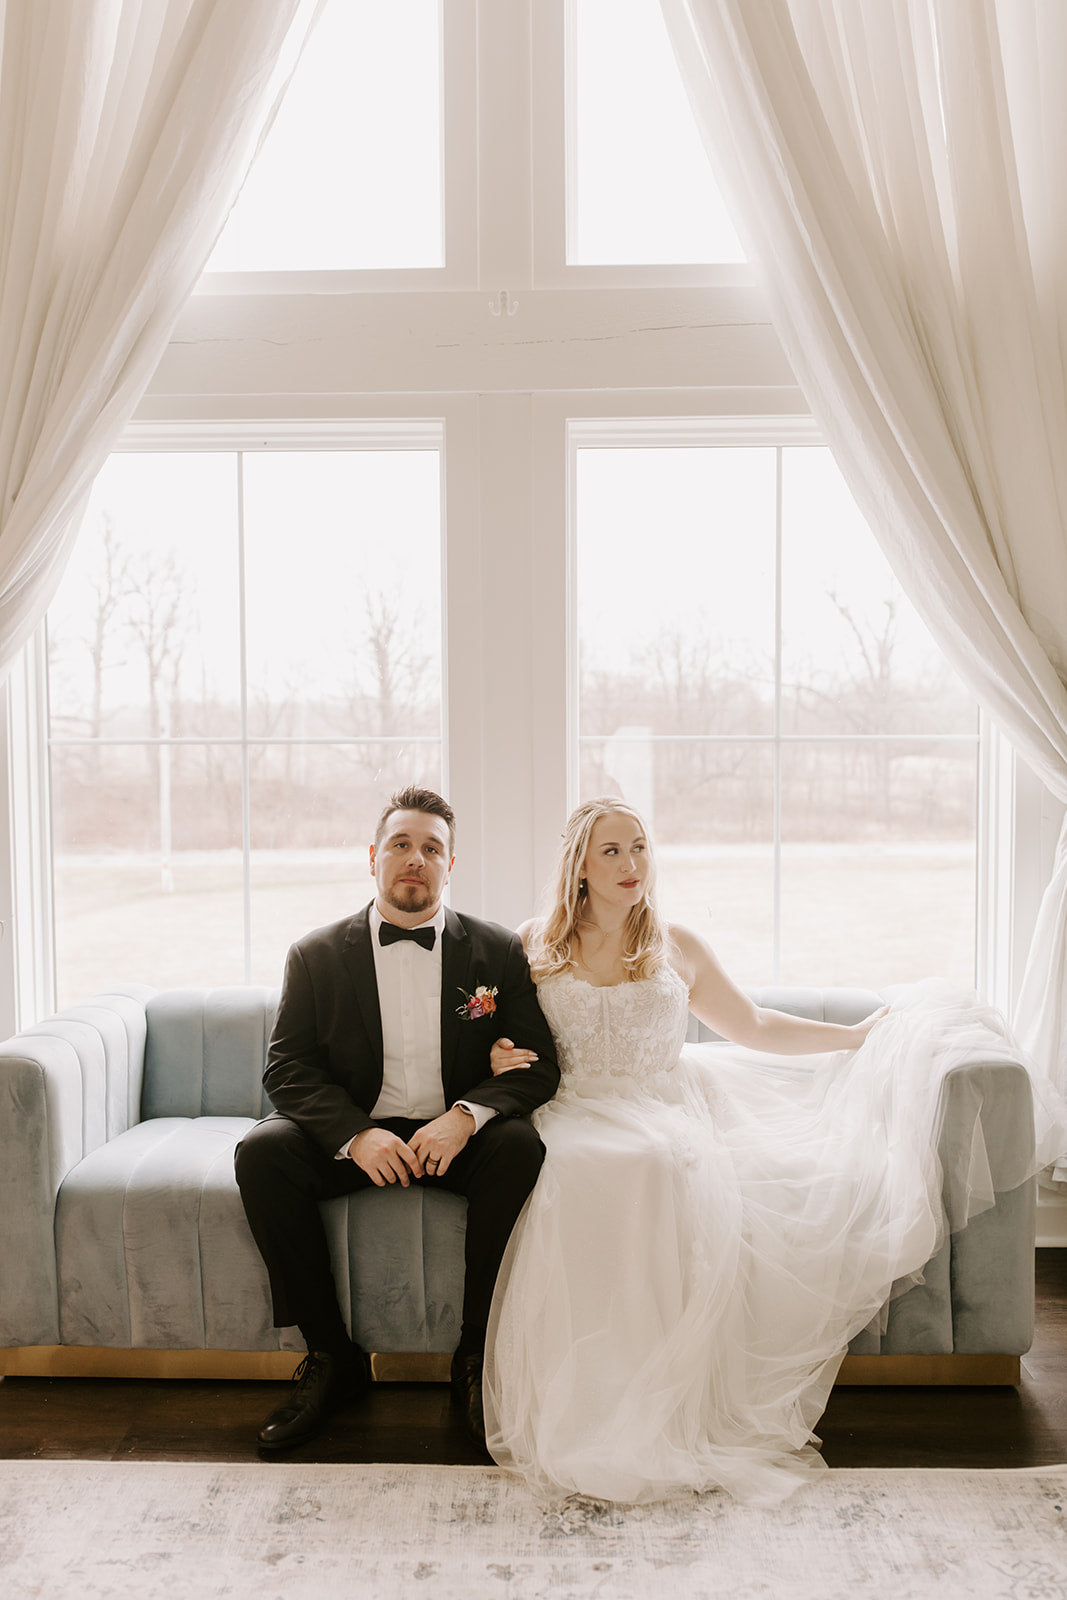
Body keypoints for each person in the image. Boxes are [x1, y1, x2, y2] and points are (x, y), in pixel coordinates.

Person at [482, 796, 1066, 1506]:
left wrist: (856, 1037)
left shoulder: (676, 944)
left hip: (662, 1104)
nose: (632, 864)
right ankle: (587, 1401)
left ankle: (659, 1405)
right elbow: (499, 1035)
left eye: (639, 847)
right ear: (579, 865)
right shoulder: (534, 944)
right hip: (574, 1106)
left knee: (654, 1163)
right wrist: (498, 1051)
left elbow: (753, 1024)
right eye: (612, 851)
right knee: (575, 1167)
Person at [235, 786, 560, 1454]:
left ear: (450, 865)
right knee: (262, 1153)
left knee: (519, 1148)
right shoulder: (315, 954)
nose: (416, 859)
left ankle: (473, 1357)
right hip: (362, 1133)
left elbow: (537, 1067)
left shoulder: (497, 952)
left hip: (454, 1138)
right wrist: (355, 1134)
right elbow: (286, 1069)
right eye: (401, 844)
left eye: (432, 848)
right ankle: (332, 1359)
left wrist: (465, 1116)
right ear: (373, 856)